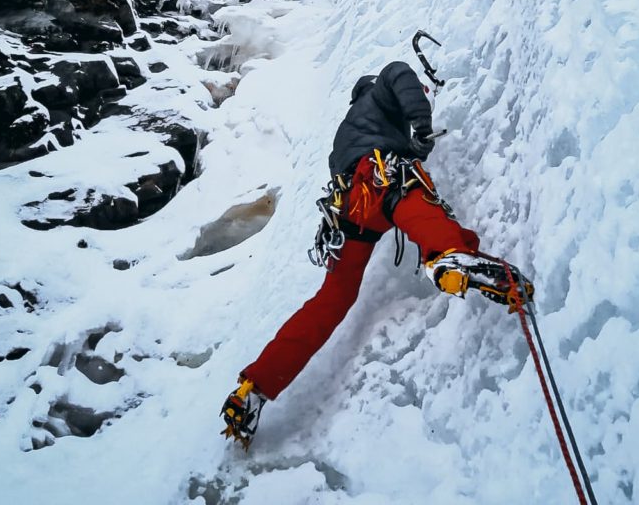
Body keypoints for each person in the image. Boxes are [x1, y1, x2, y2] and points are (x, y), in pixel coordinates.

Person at [221, 58, 533, 447]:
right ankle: (448, 254)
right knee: (409, 198)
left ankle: (255, 386)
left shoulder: (344, 133)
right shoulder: (378, 94)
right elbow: (399, 71)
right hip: (380, 179)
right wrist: (420, 125)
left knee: (332, 299)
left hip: (349, 212)